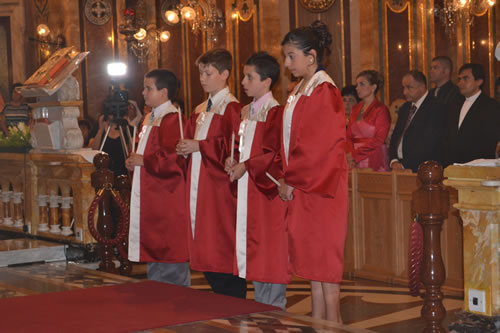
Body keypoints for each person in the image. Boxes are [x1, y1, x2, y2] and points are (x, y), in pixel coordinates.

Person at [278, 21, 348, 322]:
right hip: (305, 188)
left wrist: (291, 179)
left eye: (291, 56)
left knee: (326, 268)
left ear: (312, 56)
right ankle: (320, 326)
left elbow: (319, 145)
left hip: (321, 188)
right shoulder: (300, 90)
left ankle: (335, 326)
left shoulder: (324, 90)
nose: (286, 63)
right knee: (314, 272)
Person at [175, 48, 246, 298]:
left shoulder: (232, 107)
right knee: (204, 245)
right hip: (198, 184)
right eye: (201, 73)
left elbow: (234, 146)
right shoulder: (199, 109)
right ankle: (221, 296)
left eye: (208, 73)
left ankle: (233, 298)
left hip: (219, 189)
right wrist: (185, 148)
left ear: (224, 74)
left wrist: (200, 146)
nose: (202, 78)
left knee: (221, 243)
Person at [224, 52, 289, 310]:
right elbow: (241, 147)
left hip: (267, 193)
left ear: (266, 81)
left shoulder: (274, 112)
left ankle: (273, 310)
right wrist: (233, 161)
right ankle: (264, 308)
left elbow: (274, 155)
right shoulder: (245, 111)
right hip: (248, 189)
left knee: (269, 253)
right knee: (255, 252)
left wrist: (246, 166)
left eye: (249, 77)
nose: (243, 81)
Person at [125, 69, 190, 287]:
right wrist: (134, 161)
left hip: (167, 195)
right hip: (152, 195)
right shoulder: (149, 118)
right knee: (154, 248)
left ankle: (177, 303)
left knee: (169, 248)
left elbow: (173, 157)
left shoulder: (171, 118)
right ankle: (159, 297)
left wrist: (143, 160)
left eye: (148, 88)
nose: (143, 92)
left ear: (163, 92)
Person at [442, 63, 500, 166]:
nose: (460, 83)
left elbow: (489, 140)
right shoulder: (454, 105)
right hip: (452, 166)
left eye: (465, 79)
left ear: (479, 81)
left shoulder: (492, 106)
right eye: (459, 79)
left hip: (478, 167)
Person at [389, 71, 447, 172]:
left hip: (423, 169)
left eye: (409, 87)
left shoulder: (436, 107)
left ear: (422, 87)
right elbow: (395, 137)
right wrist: (394, 161)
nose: (404, 92)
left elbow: (429, 143)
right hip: (399, 167)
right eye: (403, 87)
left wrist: (404, 165)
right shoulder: (405, 108)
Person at [346, 70, 390, 171]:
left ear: (373, 87)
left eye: (362, 84)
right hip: (353, 158)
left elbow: (379, 139)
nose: (357, 88)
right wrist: (349, 155)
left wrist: (355, 155)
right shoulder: (355, 108)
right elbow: (348, 136)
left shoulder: (381, 109)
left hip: (374, 156)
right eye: (357, 84)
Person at [89, 113, 129, 177]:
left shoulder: (123, 127)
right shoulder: (100, 126)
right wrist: (101, 129)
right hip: (104, 170)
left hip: (123, 170)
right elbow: (93, 149)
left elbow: (131, 149)